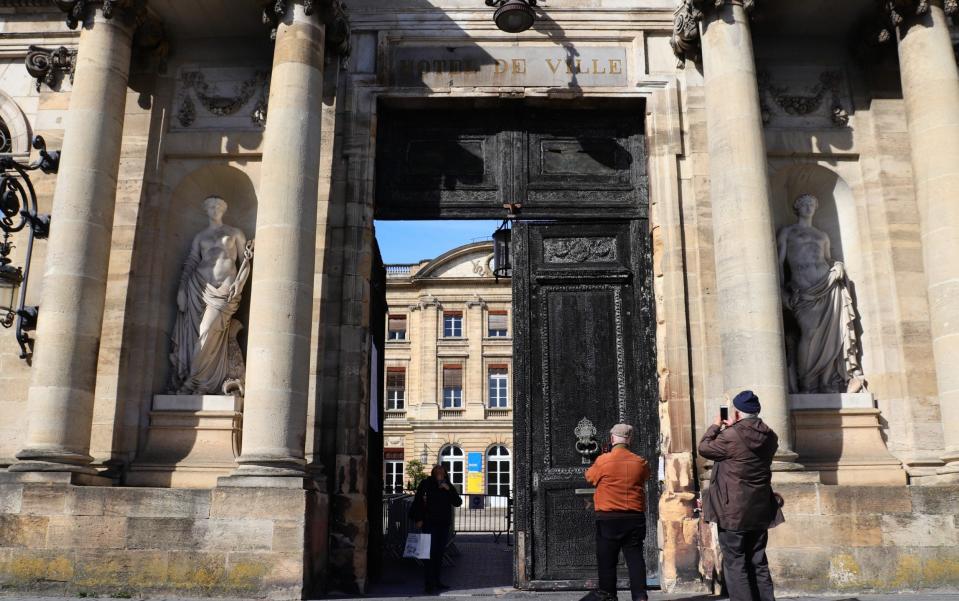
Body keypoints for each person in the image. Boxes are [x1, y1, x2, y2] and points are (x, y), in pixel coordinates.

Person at [699, 390, 783, 601]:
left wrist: (716, 425)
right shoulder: (770, 436)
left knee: (736, 563)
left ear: (736, 413)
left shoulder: (730, 436)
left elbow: (704, 448)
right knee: (758, 560)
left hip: (733, 511)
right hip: (759, 508)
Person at [777, 193, 865, 393]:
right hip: (804, 291)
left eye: (812, 204)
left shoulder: (821, 235)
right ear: (797, 207)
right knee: (809, 334)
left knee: (830, 337)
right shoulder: (788, 232)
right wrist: (782, 291)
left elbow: (827, 258)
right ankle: (806, 382)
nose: (809, 208)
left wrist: (838, 265)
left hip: (827, 287)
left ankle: (825, 381)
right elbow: (779, 264)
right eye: (805, 204)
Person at [170, 196, 254, 395]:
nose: (215, 209)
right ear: (205, 210)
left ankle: (194, 381)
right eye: (211, 206)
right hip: (198, 286)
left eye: (218, 206)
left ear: (224, 209)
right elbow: (191, 262)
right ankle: (202, 381)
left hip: (225, 288)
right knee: (199, 334)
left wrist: (239, 283)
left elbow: (246, 260)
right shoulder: (200, 237)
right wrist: (182, 289)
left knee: (208, 330)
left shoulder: (234, 233)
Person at [581, 424, 651, 601]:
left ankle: (609, 595)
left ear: (612, 439)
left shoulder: (604, 461)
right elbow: (645, 476)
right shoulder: (640, 462)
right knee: (635, 558)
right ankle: (640, 596)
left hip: (608, 518)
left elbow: (589, 477)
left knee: (607, 561)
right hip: (634, 518)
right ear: (630, 440)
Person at [411, 464, 463, 594]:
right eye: (437, 470)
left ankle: (437, 581)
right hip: (429, 524)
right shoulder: (426, 483)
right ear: (433, 472)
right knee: (428, 555)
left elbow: (458, 502)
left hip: (443, 525)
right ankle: (428, 583)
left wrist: (448, 490)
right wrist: (418, 519)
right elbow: (418, 501)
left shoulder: (447, 485)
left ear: (445, 474)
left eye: (442, 471)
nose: (440, 472)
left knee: (439, 554)